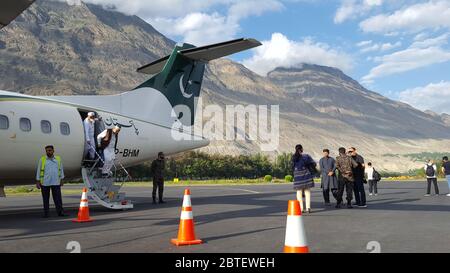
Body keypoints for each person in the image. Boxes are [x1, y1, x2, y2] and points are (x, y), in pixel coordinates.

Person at [35, 145, 66, 218]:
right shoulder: (42, 159)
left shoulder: (58, 159)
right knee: (45, 199)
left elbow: (61, 169)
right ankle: (46, 213)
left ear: (53, 151)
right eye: (47, 151)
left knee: (58, 199)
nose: (48, 152)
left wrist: (62, 179)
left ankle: (60, 212)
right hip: (45, 182)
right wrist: (37, 181)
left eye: (49, 150)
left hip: (56, 182)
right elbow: (38, 170)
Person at [291, 144, 316, 213]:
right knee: (307, 192)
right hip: (306, 175)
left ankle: (301, 208)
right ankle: (308, 208)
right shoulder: (306, 156)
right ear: (302, 149)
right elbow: (313, 164)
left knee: (299, 193)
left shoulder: (293, 157)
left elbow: (292, 167)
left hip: (297, 176)